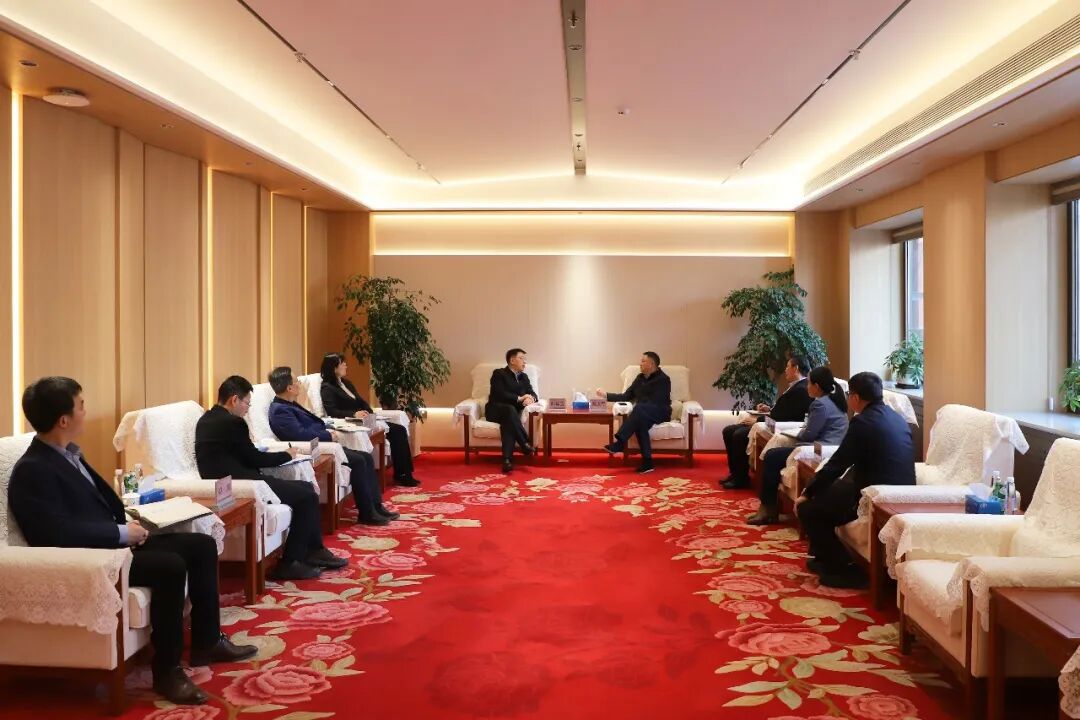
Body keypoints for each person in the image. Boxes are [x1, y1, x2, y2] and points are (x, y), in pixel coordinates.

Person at [8, 377, 258, 706]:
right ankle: (167, 670)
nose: (86, 411)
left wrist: (130, 524)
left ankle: (207, 641)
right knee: (170, 566)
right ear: (63, 420)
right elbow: (54, 533)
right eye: (81, 405)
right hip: (94, 558)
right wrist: (121, 533)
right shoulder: (32, 469)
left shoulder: (68, 455)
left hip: (115, 543)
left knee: (201, 545)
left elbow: (95, 506)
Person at [196, 375, 347, 581]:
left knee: (305, 488)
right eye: (247, 403)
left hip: (230, 482)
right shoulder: (233, 423)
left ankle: (314, 550)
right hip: (244, 485)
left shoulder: (206, 419)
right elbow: (254, 458)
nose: (248, 409)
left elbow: (241, 455)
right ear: (234, 400)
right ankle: (291, 562)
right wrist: (287, 455)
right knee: (307, 495)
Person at [796, 371, 915, 588]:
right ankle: (824, 559)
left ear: (856, 398)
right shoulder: (897, 418)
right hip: (902, 495)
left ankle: (844, 568)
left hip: (873, 497)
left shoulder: (862, 422)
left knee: (808, 508)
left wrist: (807, 492)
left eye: (849, 394)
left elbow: (838, 464)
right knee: (827, 493)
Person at [266, 366, 399, 526]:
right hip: (312, 449)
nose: (300, 384)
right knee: (359, 461)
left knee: (365, 457)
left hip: (323, 442)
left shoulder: (290, 404)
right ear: (289, 388)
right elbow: (299, 435)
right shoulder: (280, 410)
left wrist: (327, 428)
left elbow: (310, 425)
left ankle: (376, 506)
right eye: (297, 381)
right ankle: (367, 512)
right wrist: (327, 435)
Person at [747, 366, 848, 525]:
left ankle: (768, 508)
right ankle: (769, 507)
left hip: (818, 449)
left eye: (809, 383)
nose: (807, 387)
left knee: (772, 456)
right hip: (828, 446)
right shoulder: (834, 400)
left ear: (816, 386)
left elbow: (809, 435)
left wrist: (799, 433)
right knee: (774, 454)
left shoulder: (820, 404)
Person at [320, 353, 419, 488]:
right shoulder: (327, 388)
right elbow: (332, 411)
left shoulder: (346, 383)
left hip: (365, 419)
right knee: (397, 431)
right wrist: (354, 414)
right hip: (351, 422)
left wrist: (369, 412)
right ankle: (403, 475)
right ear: (334, 368)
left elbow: (361, 401)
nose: (346, 365)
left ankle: (404, 473)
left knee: (399, 429)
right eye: (342, 363)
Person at [721, 355, 813, 489]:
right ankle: (735, 473)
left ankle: (741, 478)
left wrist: (756, 420)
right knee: (728, 430)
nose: (785, 370)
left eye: (788, 366)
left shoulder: (800, 389)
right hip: (771, 421)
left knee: (738, 435)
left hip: (779, 428)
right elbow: (784, 410)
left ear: (796, 368)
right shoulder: (796, 386)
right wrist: (769, 408)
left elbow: (786, 417)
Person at [598, 351, 671, 475]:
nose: (640, 364)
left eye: (643, 361)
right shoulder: (639, 378)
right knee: (640, 423)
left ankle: (620, 443)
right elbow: (626, 396)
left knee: (639, 409)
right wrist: (606, 395)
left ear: (652, 364)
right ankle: (647, 463)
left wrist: (641, 406)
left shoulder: (663, 379)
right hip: (642, 413)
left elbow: (658, 402)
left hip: (660, 411)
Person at [486, 347, 537, 473]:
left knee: (508, 422)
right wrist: (520, 398)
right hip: (495, 410)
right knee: (509, 410)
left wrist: (530, 398)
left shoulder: (524, 377)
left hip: (511, 414)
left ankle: (507, 461)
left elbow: (532, 393)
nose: (525, 362)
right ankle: (524, 443)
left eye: (525, 359)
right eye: (522, 358)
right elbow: (498, 393)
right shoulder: (499, 374)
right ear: (512, 360)